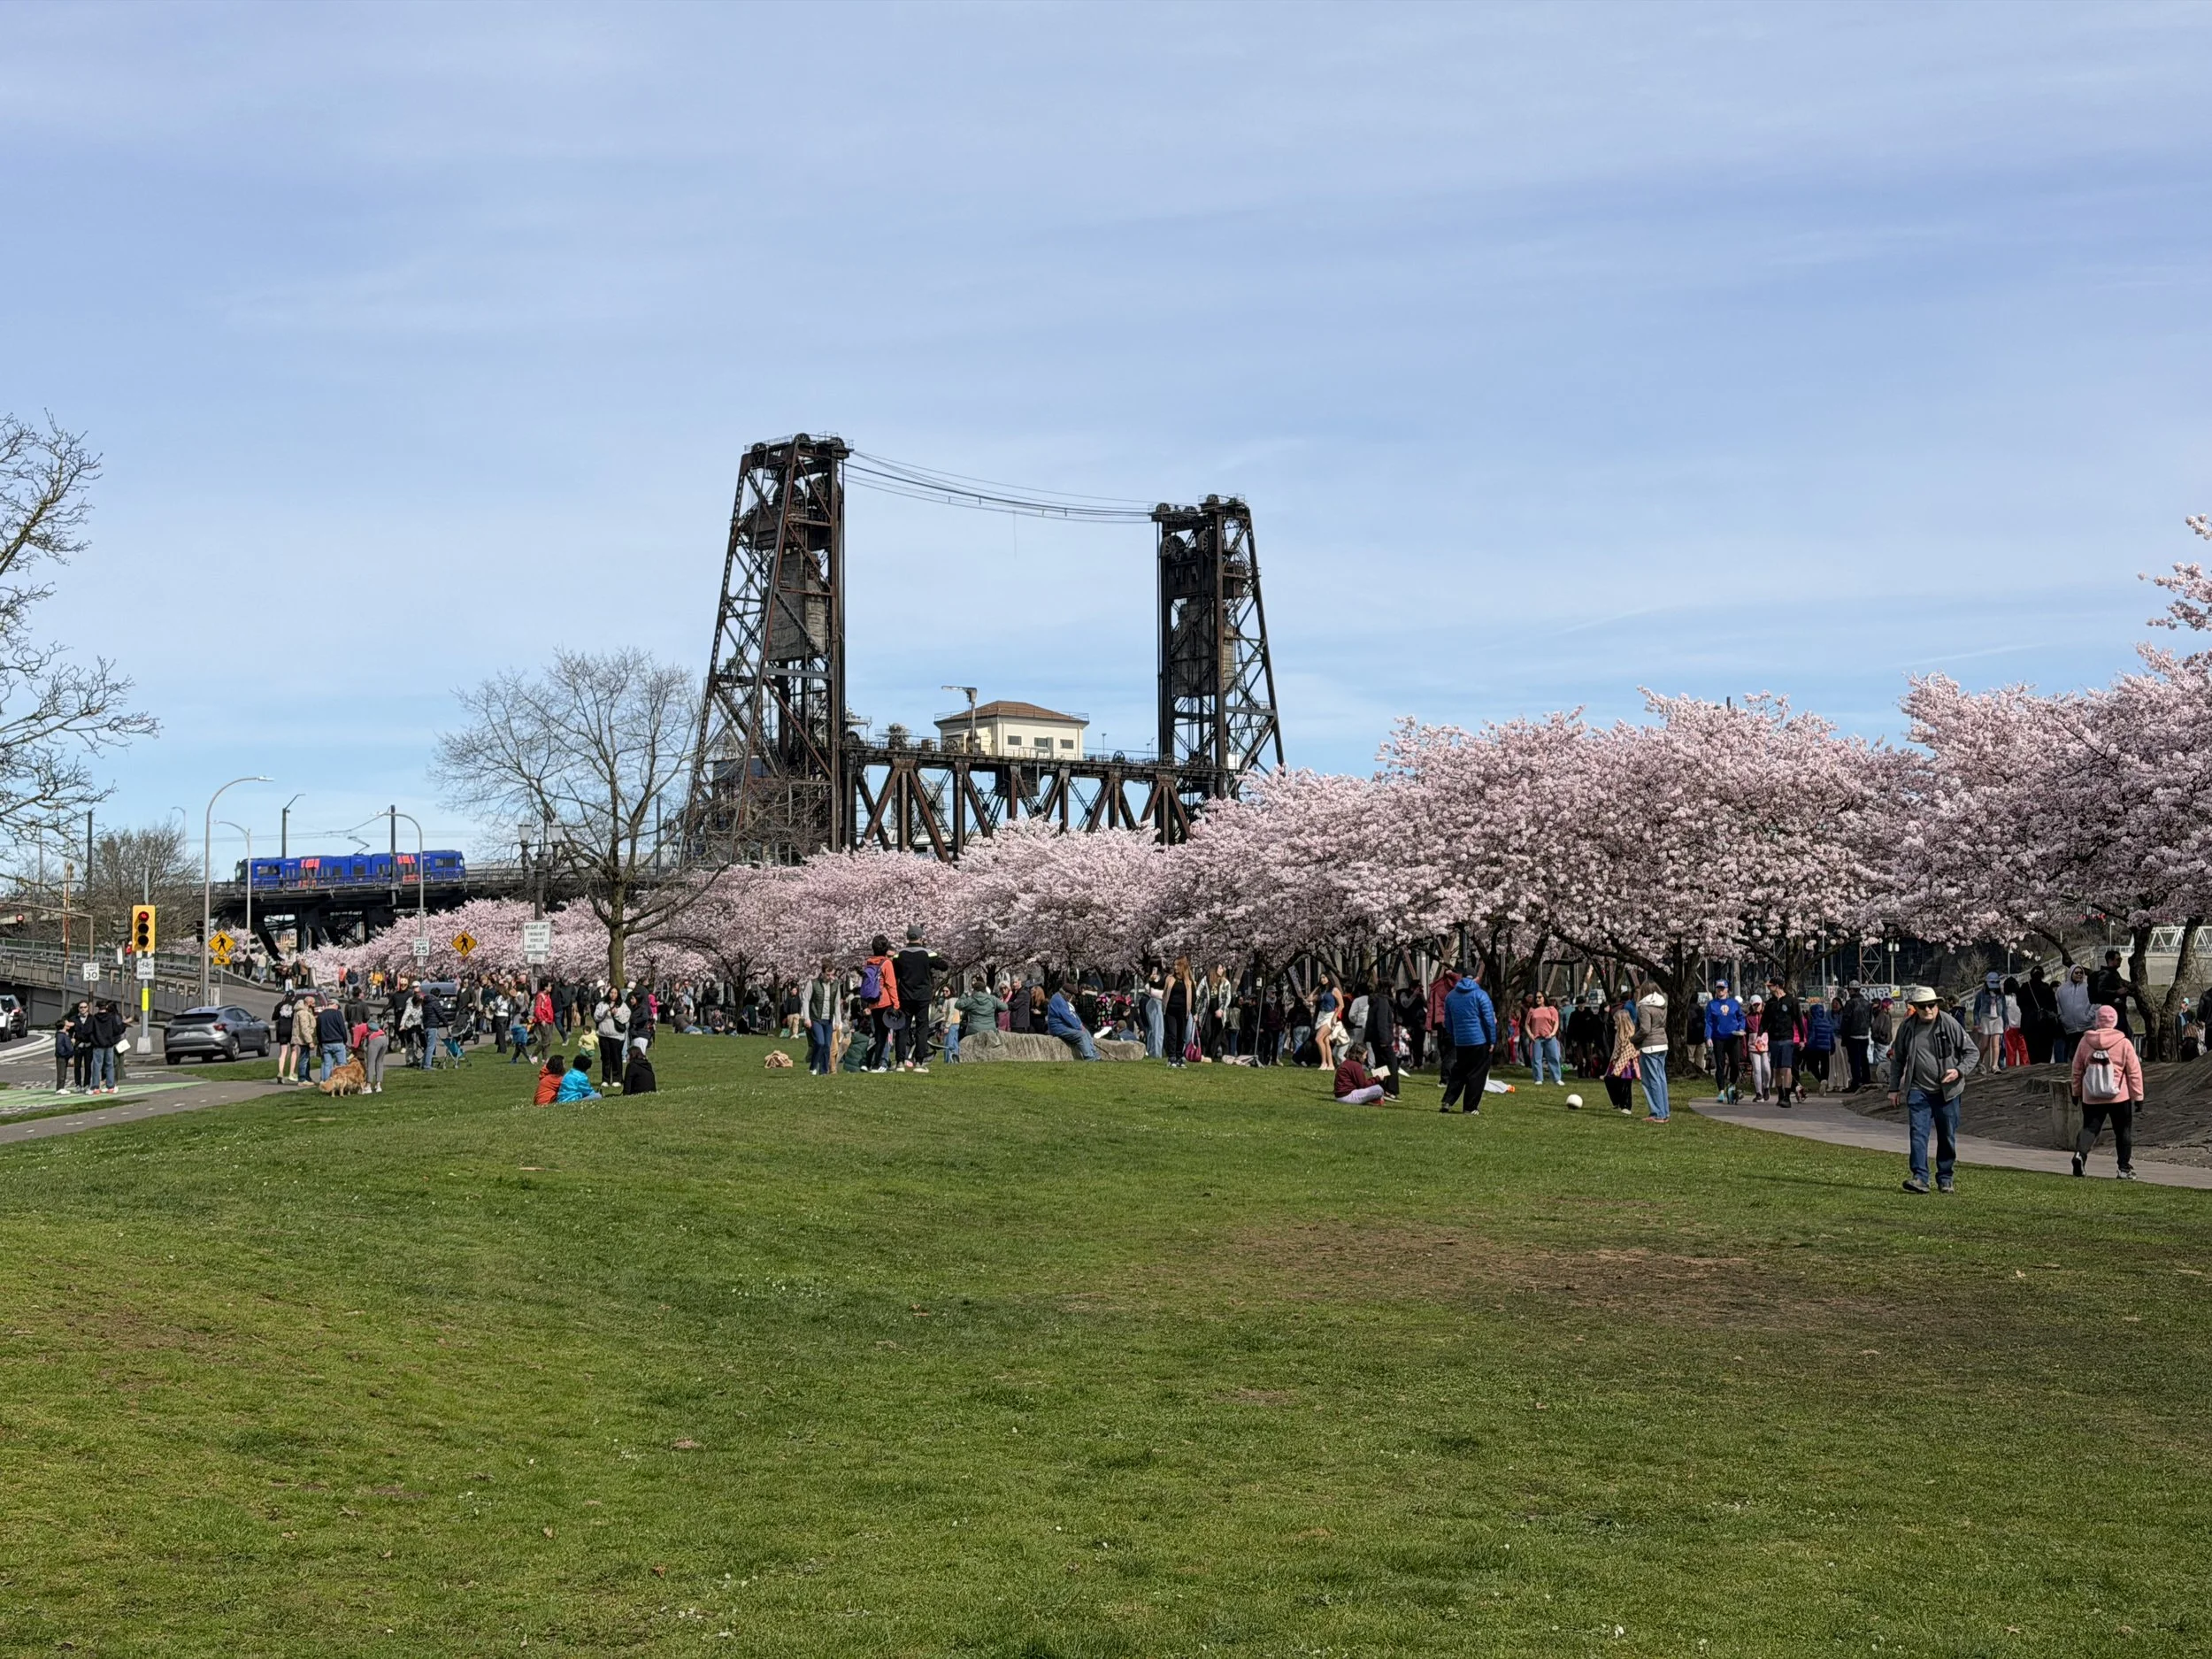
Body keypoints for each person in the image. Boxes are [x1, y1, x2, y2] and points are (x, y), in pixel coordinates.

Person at [1886, 983, 1980, 1194]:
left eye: (1931, 1005)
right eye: (1923, 1006)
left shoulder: (1949, 1023)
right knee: (1918, 1133)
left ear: (1937, 1005)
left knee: (1947, 1135)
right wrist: (1894, 1088)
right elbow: (1898, 1059)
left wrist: (1959, 1071)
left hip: (1948, 1091)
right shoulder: (1907, 1027)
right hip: (1918, 1089)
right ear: (1916, 1008)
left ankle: (1945, 1177)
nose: (1928, 1009)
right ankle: (1920, 1177)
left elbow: (1972, 1052)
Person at [2070, 1003, 2144, 1179]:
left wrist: (2076, 1091)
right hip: (2119, 1095)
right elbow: (2134, 1071)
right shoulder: (2123, 1043)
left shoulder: (2085, 1041)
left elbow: (2077, 1069)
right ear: (2115, 1021)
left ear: (2097, 1021)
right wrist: (2138, 1096)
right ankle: (2124, 1169)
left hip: (2091, 1094)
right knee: (2123, 1131)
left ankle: (2080, 1154)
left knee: (2090, 1128)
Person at [1439, 967, 1497, 1115]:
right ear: (1476, 978)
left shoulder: (1451, 996)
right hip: (1479, 1039)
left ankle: (1448, 1100)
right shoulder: (1480, 995)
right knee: (1477, 1074)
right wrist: (1492, 1040)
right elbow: (1489, 1020)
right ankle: (1470, 1107)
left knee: (1459, 1071)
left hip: (1461, 1041)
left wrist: (1454, 1035)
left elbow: (1448, 1021)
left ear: (1461, 977)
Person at [893, 924, 947, 1071]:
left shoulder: (899, 955)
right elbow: (944, 966)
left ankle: (900, 1062)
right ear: (921, 938)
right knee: (922, 1028)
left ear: (907, 937)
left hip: (905, 996)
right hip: (922, 996)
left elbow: (895, 973)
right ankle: (919, 1062)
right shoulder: (927, 954)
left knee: (902, 1028)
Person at [861, 934, 901, 1071]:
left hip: (873, 1003)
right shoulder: (886, 963)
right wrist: (896, 1004)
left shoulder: (869, 962)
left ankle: (867, 1062)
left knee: (877, 1033)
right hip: (884, 1002)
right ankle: (876, 1064)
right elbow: (891, 985)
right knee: (882, 1035)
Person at [1705, 979, 1746, 1102]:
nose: (1720, 991)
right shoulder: (1712, 1004)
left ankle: (1732, 1084)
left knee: (1735, 1063)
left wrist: (1741, 1028)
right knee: (1720, 1065)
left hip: (1733, 1037)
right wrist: (1708, 1037)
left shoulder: (1734, 1003)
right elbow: (1708, 1022)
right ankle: (1721, 1091)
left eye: (1722, 988)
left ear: (1727, 989)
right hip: (1718, 1038)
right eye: (1718, 988)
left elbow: (1741, 1018)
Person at [1763, 977, 1802, 1107]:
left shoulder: (1792, 1001)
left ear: (1777, 986)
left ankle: (1787, 1096)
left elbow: (1799, 1020)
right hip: (1774, 1039)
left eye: (1771, 986)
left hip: (1787, 1039)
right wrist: (1759, 1035)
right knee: (1777, 1069)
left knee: (1787, 1068)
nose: (1769, 988)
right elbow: (1764, 1021)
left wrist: (1802, 1039)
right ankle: (1780, 1095)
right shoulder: (1770, 1003)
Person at [1635, 986, 1671, 1121]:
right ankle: (1665, 1112)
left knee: (1651, 1080)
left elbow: (1645, 1029)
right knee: (1661, 1078)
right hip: (1662, 1042)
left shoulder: (1644, 1007)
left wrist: (1634, 1039)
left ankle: (1657, 1113)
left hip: (1649, 1045)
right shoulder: (1662, 1005)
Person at [1603, 989, 1640, 1113]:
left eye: (1616, 1022)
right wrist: (1612, 1063)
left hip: (1627, 1063)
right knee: (1609, 1080)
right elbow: (1616, 1050)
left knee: (1625, 1084)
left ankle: (1626, 1106)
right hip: (1617, 1061)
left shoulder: (1630, 1035)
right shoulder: (1618, 1033)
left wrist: (1617, 1069)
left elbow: (1626, 1053)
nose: (1615, 1024)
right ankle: (1617, 1101)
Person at [803, 960, 841, 1077]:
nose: (830, 977)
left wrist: (838, 1021)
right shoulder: (813, 983)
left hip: (828, 1019)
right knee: (820, 1042)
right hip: (816, 1018)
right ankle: (813, 1066)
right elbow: (806, 1000)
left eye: (832, 974)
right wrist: (807, 1018)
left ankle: (823, 1071)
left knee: (827, 1045)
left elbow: (837, 1003)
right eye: (828, 975)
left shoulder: (835, 985)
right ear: (823, 973)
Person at [1044, 978, 1098, 1060]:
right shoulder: (1058, 1000)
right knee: (1082, 1035)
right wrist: (1078, 1027)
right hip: (1058, 1028)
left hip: (1064, 1026)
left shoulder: (1062, 999)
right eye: (1071, 995)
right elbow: (1068, 1017)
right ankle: (1089, 1057)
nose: (1072, 997)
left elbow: (1073, 1014)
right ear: (1066, 993)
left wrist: (1080, 1025)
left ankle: (1095, 1055)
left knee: (1086, 1032)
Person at [1363, 980, 1402, 1097]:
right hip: (1382, 1038)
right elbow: (1382, 1022)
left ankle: (1379, 1087)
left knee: (1380, 1064)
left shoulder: (1375, 1000)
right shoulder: (1383, 1002)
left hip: (1375, 1038)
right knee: (1392, 1063)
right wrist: (1384, 1040)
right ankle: (1390, 1089)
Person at [2088, 949, 2136, 1040]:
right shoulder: (2105, 974)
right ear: (2110, 960)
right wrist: (2116, 992)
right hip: (2112, 1013)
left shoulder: (2114, 974)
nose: (2120, 961)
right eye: (2118, 959)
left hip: (2118, 1012)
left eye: (2121, 959)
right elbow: (2100, 991)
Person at [2019, 964, 2060, 1064]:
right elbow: (2053, 1006)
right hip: (2046, 1026)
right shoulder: (2046, 988)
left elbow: (2020, 1004)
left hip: (2030, 1025)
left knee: (2033, 1053)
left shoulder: (2025, 988)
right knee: (2046, 1054)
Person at [1836, 983, 1874, 1093]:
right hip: (1865, 1035)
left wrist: (1843, 1035)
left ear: (1852, 990)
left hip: (1853, 1036)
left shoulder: (1850, 1003)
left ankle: (1856, 1083)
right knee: (1864, 1059)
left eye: (1849, 989)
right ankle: (1866, 1080)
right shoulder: (1867, 1003)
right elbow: (1871, 1020)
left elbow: (1846, 1020)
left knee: (1854, 1061)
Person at [2055, 964, 2094, 1064]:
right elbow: (2057, 1005)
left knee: (2087, 1055)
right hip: (2069, 1029)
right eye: (2076, 973)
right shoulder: (2061, 990)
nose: (2079, 975)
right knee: (2072, 1055)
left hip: (2086, 1027)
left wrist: (2089, 1017)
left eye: (2081, 973)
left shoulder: (2089, 987)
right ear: (2071, 973)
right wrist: (2062, 1018)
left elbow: (2096, 1004)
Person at [1333, 1041, 1388, 1105]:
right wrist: (1378, 1078)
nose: (1365, 1057)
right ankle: (1376, 1100)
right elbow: (1363, 1085)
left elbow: (1360, 1083)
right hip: (1347, 1096)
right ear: (1360, 1055)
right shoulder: (1356, 1065)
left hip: (1340, 1096)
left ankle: (1374, 1100)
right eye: (1365, 1055)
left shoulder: (1347, 1062)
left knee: (1374, 1088)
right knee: (1379, 1089)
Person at [1525, 992, 1562, 1087]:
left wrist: (1553, 1033)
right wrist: (1530, 1035)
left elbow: (1556, 1022)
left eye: (1540, 997)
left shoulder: (1551, 1009)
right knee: (1536, 1059)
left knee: (1553, 1057)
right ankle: (1538, 1079)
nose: (1538, 999)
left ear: (1544, 998)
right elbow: (1527, 1024)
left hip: (1549, 1037)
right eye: (1536, 997)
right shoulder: (1532, 1010)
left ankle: (1557, 1078)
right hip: (1536, 1038)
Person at [595, 988, 629, 1087]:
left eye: (615, 993)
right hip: (604, 1035)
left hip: (617, 1036)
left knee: (616, 1058)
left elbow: (626, 1018)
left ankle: (617, 1079)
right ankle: (605, 1079)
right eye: (611, 992)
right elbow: (596, 1017)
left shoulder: (622, 1005)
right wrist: (604, 1013)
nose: (613, 995)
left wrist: (616, 1013)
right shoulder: (602, 1004)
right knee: (605, 1058)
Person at [315, 995, 350, 1083]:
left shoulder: (321, 1015)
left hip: (325, 1043)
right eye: (338, 1006)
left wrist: (320, 1043)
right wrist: (345, 1040)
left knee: (327, 1064)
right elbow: (342, 1028)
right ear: (335, 1005)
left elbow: (318, 1030)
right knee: (341, 1064)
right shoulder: (337, 1014)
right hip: (338, 1041)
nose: (338, 1008)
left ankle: (326, 1082)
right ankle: (341, 1082)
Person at [1746, 995, 1773, 1102]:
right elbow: (1745, 1033)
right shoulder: (1748, 1018)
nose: (1757, 1007)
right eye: (1754, 1005)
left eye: (1758, 1004)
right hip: (1753, 1045)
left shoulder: (1767, 1016)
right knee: (1757, 1069)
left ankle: (1766, 1087)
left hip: (1765, 1045)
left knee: (1766, 1068)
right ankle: (1759, 1092)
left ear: (1762, 1004)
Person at [272, 986, 299, 1085]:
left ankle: (280, 1072)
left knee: (283, 1052)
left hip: (282, 1031)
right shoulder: (295, 1005)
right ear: (294, 997)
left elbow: (274, 1017)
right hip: (292, 1031)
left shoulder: (279, 1005)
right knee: (294, 1050)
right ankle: (291, 1073)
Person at [293, 994, 320, 1085]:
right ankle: (302, 1079)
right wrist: (310, 1041)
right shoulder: (303, 1013)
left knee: (306, 1059)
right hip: (303, 1040)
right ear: (309, 1003)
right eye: (313, 1003)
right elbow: (304, 1029)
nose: (314, 1005)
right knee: (304, 1059)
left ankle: (307, 1077)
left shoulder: (306, 1012)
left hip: (304, 1039)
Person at [361, 1014, 390, 1094]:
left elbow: (361, 1045)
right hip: (384, 1039)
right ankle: (378, 1085)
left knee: (370, 1063)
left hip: (375, 1040)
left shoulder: (362, 1028)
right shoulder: (378, 1028)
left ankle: (368, 1086)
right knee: (379, 1062)